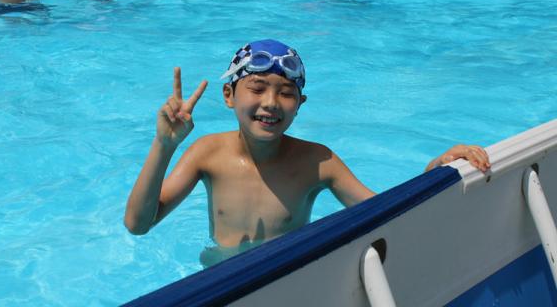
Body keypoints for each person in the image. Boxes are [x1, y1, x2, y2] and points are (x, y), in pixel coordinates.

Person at [124, 39, 491, 267]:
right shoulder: (207, 153)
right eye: (257, 88)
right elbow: (138, 225)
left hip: (289, 277)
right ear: (229, 96)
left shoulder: (318, 162)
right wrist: (164, 145)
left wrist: (434, 169)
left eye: (286, 93)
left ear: (300, 104)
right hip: (221, 278)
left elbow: (386, 211)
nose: (271, 102)